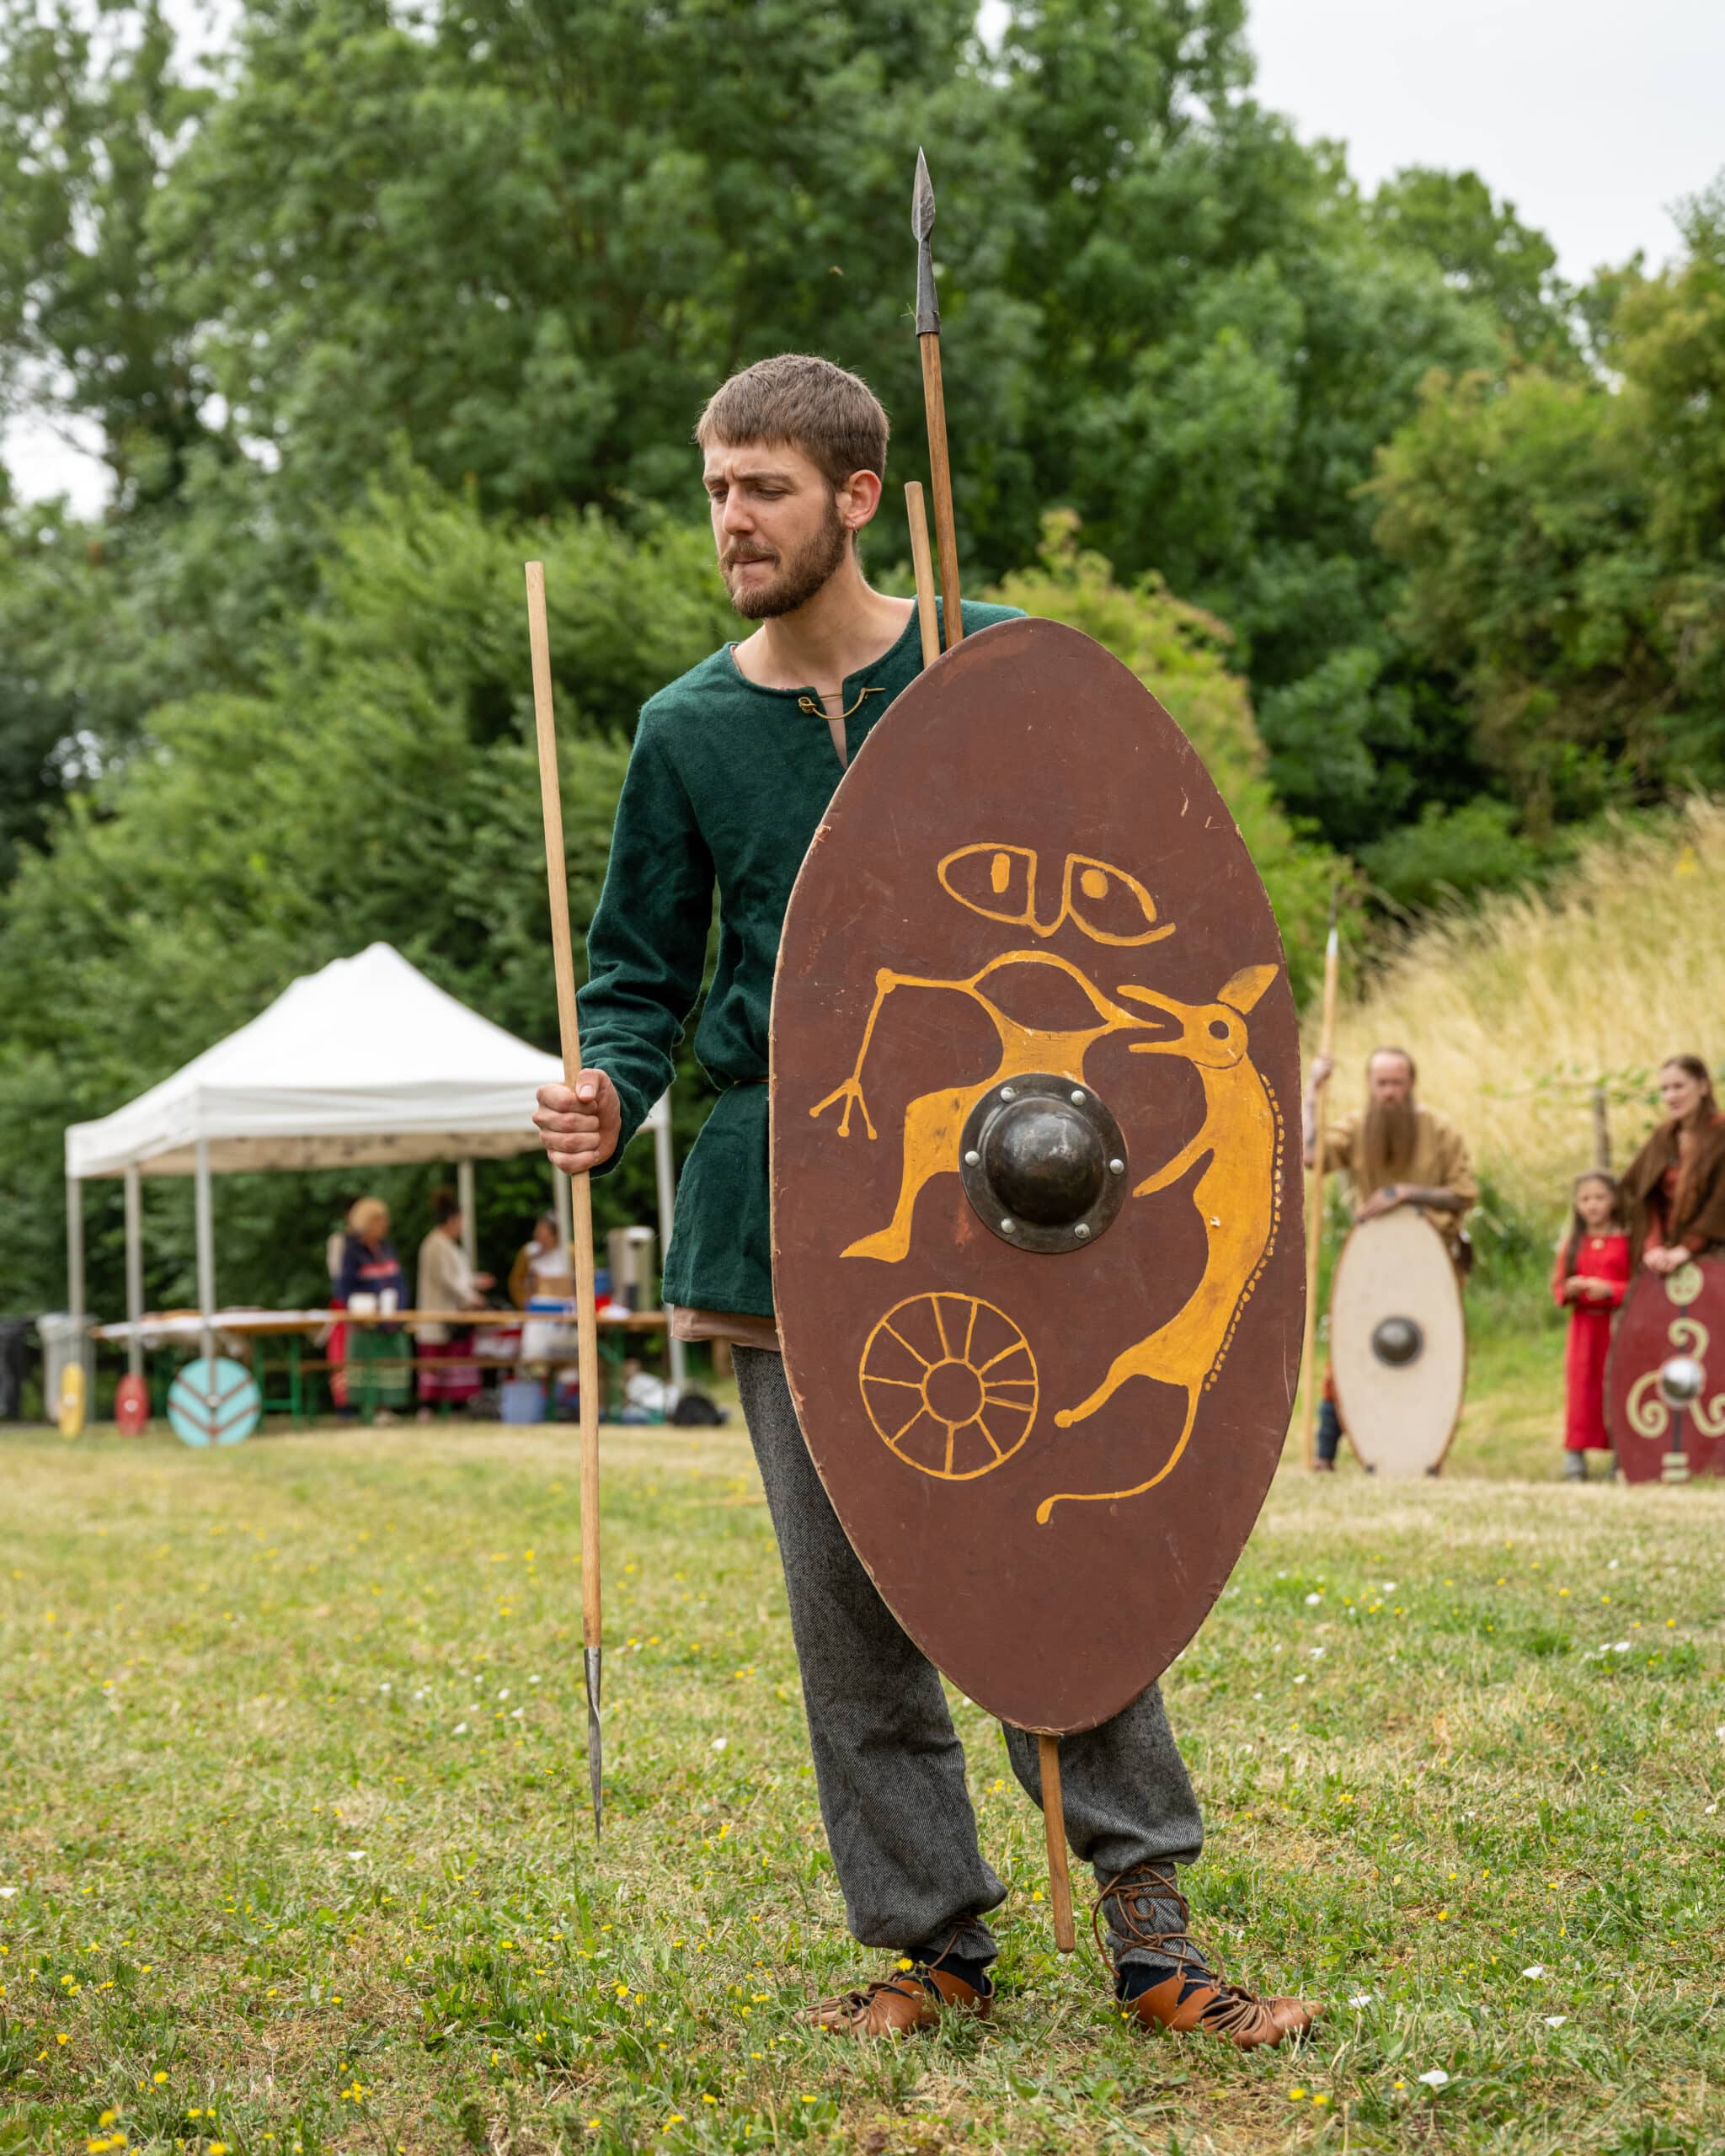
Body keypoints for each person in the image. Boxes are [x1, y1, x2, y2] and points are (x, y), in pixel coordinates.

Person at [532, 354, 1315, 2048]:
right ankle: (931, 1940)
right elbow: (639, 976)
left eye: (764, 488)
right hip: (781, 1218)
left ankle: (1151, 1926)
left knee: (1057, 1545)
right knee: (850, 1600)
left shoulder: (996, 666)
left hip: (1025, 1191)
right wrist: (609, 1084)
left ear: (858, 495)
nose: (729, 520)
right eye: (716, 487)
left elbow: (1144, 898)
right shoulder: (685, 730)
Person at [1301, 1044, 1477, 1471]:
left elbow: (1464, 1195)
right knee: (1353, 1351)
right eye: (1381, 1083)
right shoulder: (1358, 1128)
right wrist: (1312, 1093)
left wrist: (1406, 1193)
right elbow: (1312, 1156)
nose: (1389, 1092)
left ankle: (1424, 1454)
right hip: (1375, 1260)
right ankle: (1327, 1452)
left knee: (1426, 1354)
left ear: (1411, 1084)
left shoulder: (1440, 1131)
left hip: (1430, 1258)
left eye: (1397, 1083)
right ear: (1370, 1086)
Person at [1550, 1171, 1630, 1481]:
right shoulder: (1573, 1244)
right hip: (1584, 1329)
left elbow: (1637, 1285)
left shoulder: (1626, 1242)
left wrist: (1611, 1290)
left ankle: (1621, 1454)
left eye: (1599, 1198)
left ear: (1613, 1201)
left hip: (1616, 1327)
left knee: (1615, 1385)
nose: (1593, 1205)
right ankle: (1575, 1455)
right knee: (1582, 1388)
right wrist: (1569, 1290)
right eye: (1585, 1199)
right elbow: (1558, 1286)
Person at [1621, 1054, 1725, 1277]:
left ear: (1703, 1087)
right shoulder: (1665, 1135)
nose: (1670, 1096)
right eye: (1665, 1089)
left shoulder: (1721, 1132)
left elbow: (1721, 1201)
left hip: (1715, 1252)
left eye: (1678, 1087)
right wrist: (1653, 1245)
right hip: (1664, 1257)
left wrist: (1687, 1248)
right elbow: (1644, 1194)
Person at [414, 1189, 494, 1417]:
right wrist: (471, 1296)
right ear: (452, 1220)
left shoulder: (450, 1246)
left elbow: (459, 1278)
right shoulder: (435, 1244)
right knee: (434, 1363)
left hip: (453, 1315)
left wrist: (475, 1282)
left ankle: (454, 1408)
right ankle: (427, 1409)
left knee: (452, 1363)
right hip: (437, 1314)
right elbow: (447, 1280)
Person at [332, 1197, 410, 1421]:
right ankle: (368, 1408)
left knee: (391, 1361)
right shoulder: (352, 1250)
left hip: (391, 1318)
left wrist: (400, 1307)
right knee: (366, 1362)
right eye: (379, 1219)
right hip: (365, 1321)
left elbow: (400, 1282)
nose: (385, 1224)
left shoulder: (386, 1248)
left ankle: (387, 1407)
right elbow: (344, 1288)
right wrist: (361, 1310)